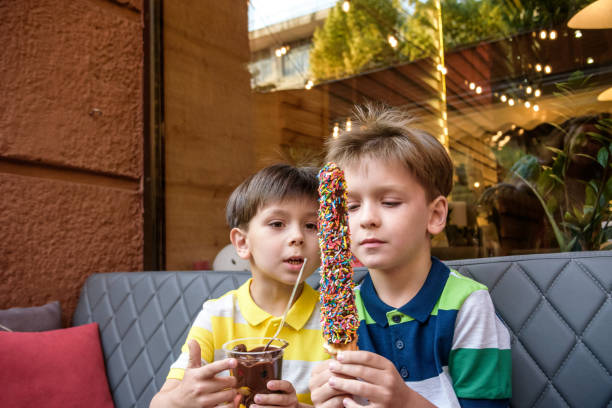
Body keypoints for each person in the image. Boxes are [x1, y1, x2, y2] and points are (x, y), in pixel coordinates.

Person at [309, 105, 511, 408]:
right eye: (351, 207)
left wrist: (405, 402)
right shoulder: (343, 309)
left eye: (389, 202)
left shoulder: (466, 304)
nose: (367, 219)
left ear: (436, 215)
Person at [151, 164, 329, 408]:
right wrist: (182, 400)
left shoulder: (334, 318)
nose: (298, 236)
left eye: (312, 226)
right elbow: (159, 403)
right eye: (278, 223)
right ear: (243, 242)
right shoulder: (217, 316)